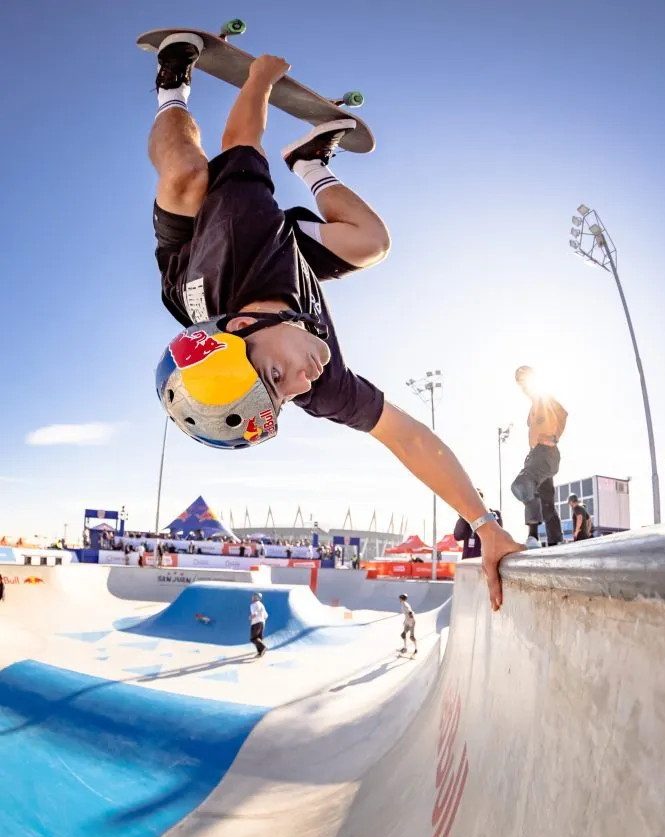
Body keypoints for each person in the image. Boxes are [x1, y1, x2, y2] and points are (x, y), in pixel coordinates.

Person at [147, 36, 522, 610]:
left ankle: (170, 88)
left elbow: (239, 140)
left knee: (188, 177)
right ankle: (310, 164)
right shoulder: (322, 387)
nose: (302, 383)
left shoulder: (236, 234)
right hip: (288, 257)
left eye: (276, 375)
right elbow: (407, 436)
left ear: (244, 325)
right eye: (284, 398)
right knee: (373, 242)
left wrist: (260, 80)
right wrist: (483, 520)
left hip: (194, 255)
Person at [510, 366, 567, 548]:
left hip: (545, 453)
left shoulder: (545, 398)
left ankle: (533, 536)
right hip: (538, 456)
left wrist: (555, 437)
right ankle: (555, 540)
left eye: (526, 383)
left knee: (524, 484)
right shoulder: (533, 406)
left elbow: (562, 414)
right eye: (521, 386)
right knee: (546, 500)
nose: (525, 388)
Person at [454, 490, 502, 559]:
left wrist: (472, 519)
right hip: (469, 562)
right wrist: (463, 516)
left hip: (486, 560)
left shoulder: (494, 514)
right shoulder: (466, 519)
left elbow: (497, 532)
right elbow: (457, 536)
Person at [249, 591, 268, 657]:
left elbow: (255, 614)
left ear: (256, 597)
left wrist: (251, 617)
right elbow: (266, 616)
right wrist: (261, 620)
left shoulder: (253, 604)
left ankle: (263, 647)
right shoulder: (261, 605)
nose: (252, 597)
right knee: (259, 638)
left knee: (253, 638)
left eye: (254, 596)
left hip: (256, 623)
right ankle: (260, 652)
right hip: (262, 623)